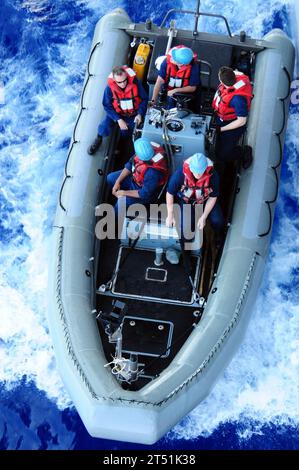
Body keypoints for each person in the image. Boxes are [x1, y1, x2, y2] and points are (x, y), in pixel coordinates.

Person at [166, 153, 224, 250]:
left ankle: (218, 235)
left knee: (218, 220)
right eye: (195, 172)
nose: (197, 175)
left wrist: (204, 217)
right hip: (186, 202)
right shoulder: (180, 174)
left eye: (200, 172)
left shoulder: (213, 176)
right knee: (185, 228)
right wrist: (170, 214)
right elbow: (170, 193)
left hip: (205, 200)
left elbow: (213, 197)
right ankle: (188, 245)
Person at [88, 66, 148, 155]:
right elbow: (107, 106)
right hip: (116, 113)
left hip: (133, 114)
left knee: (131, 131)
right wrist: (118, 119)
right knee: (104, 126)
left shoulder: (135, 83)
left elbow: (144, 99)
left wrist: (139, 114)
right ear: (115, 81)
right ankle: (99, 138)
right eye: (119, 82)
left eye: (124, 80)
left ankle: (123, 145)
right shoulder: (109, 89)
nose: (123, 84)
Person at [106, 137, 169, 214]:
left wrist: (124, 193)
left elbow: (144, 193)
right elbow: (130, 165)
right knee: (111, 178)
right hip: (135, 178)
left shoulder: (153, 173)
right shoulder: (142, 153)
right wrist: (118, 181)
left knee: (120, 204)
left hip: (143, 190)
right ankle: (118, 194)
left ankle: (115, 219)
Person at [212, 66, 253, 168]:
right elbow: (236, 72)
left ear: (221, 81)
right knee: (217, 142)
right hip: (220, 117)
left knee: (223, 155)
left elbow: (241, 121)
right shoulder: (238, 77)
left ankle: (243, 152)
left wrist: (221, 129)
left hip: (231, 124)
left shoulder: (238, 99)